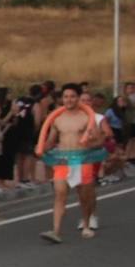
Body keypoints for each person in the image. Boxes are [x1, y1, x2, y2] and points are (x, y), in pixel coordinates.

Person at [35, 84, 98, 243]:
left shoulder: (87, 117)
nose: (69, 100)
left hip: (82, 160)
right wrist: (42, 147)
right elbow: (51, 139)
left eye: (72, 96)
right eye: (66, 97)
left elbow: (97, 139)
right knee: (60, 193)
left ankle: (86, 225)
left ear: (77, 98)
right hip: (63, 160)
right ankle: (56, 231)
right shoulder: (57, 118)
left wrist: (89, 140)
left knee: (84, 196)